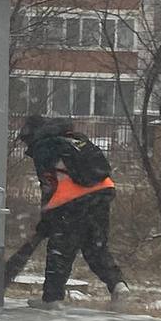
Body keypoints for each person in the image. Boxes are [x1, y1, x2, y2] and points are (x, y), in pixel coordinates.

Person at [16, 114, 129, 310]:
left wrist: (47, 217)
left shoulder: (44, 147)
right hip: (102, 194)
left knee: (60, 250)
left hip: (72, 202)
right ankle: (118, 286)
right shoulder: (75, 138)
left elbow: (49, 184)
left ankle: (51, 300)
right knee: (95, 246)